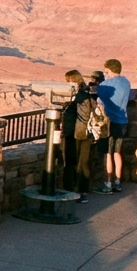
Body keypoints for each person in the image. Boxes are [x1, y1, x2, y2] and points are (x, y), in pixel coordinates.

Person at [97, 59, 131, 193]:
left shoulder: (105, 85)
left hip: (110, 122)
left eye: (106, 71)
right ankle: (117, 182)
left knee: (108, 153)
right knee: (117, 152)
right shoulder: (126, 82)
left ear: (109, 70)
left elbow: (99, 103)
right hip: (123, 121)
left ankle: (107, 183)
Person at [61, 70, 94, 203]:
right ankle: (81, 192)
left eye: (68, 81)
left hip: (76, 133)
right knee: (81, 163)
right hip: (84, 133)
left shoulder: (81, 96)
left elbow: (81, 114)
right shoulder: (87, 93)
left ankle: (70, 192)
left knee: (72, 163)